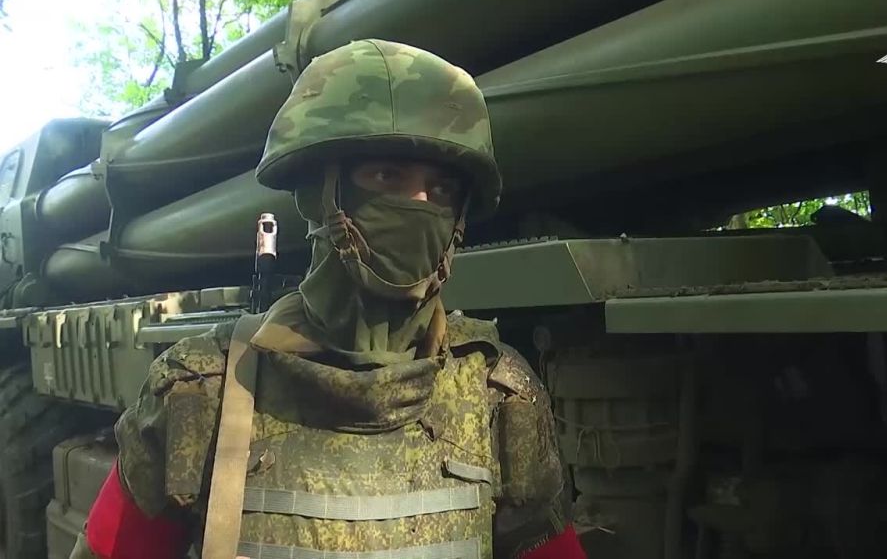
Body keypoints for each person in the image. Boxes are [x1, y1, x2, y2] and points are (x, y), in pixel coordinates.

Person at [70, 39, 585, 559]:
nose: (419, 204)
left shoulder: (499, 394)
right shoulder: (201, 391)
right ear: (318, 192)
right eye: (387, 176)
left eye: (442, 190)